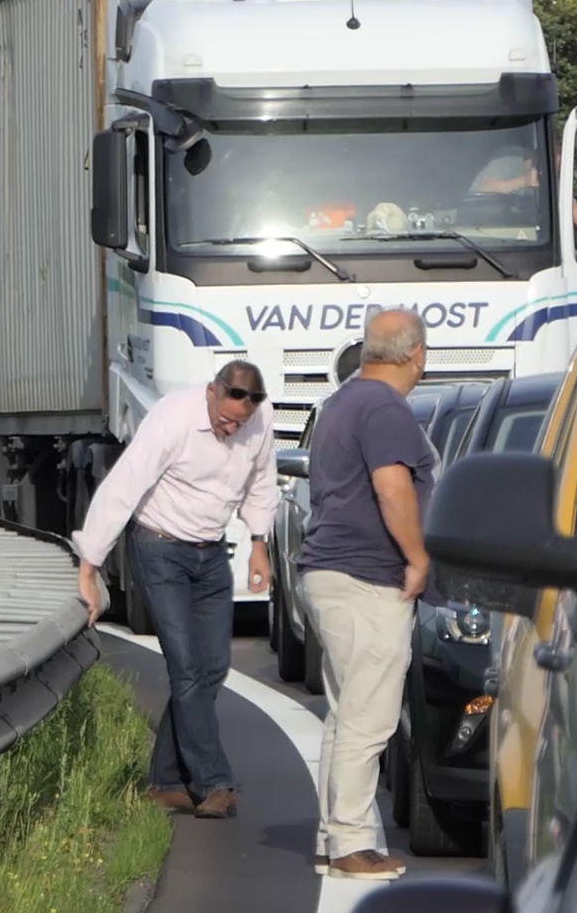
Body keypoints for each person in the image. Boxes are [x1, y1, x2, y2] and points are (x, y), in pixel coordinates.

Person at [71, 361, 279, 819]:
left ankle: (166, 781)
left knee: (212, 668)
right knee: (185, 667)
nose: (231, 428)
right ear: (211, 392)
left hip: (212, 551)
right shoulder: (172, 418)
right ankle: (212, 782)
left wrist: (259, 544)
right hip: (159, 546)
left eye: (239, 423)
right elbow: (123, 488)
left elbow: (262, 482)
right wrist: (90, 565)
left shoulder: (258, 422)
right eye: (225, 419)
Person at [297, 307, 438, 880]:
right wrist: (418, 557)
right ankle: (352, 842)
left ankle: (335, 837)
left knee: (346, 713)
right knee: (370, 717)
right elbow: (391, 486)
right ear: (417, 355)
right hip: (366, 578)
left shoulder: (342, 402)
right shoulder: (385, 407)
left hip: (330, 572)